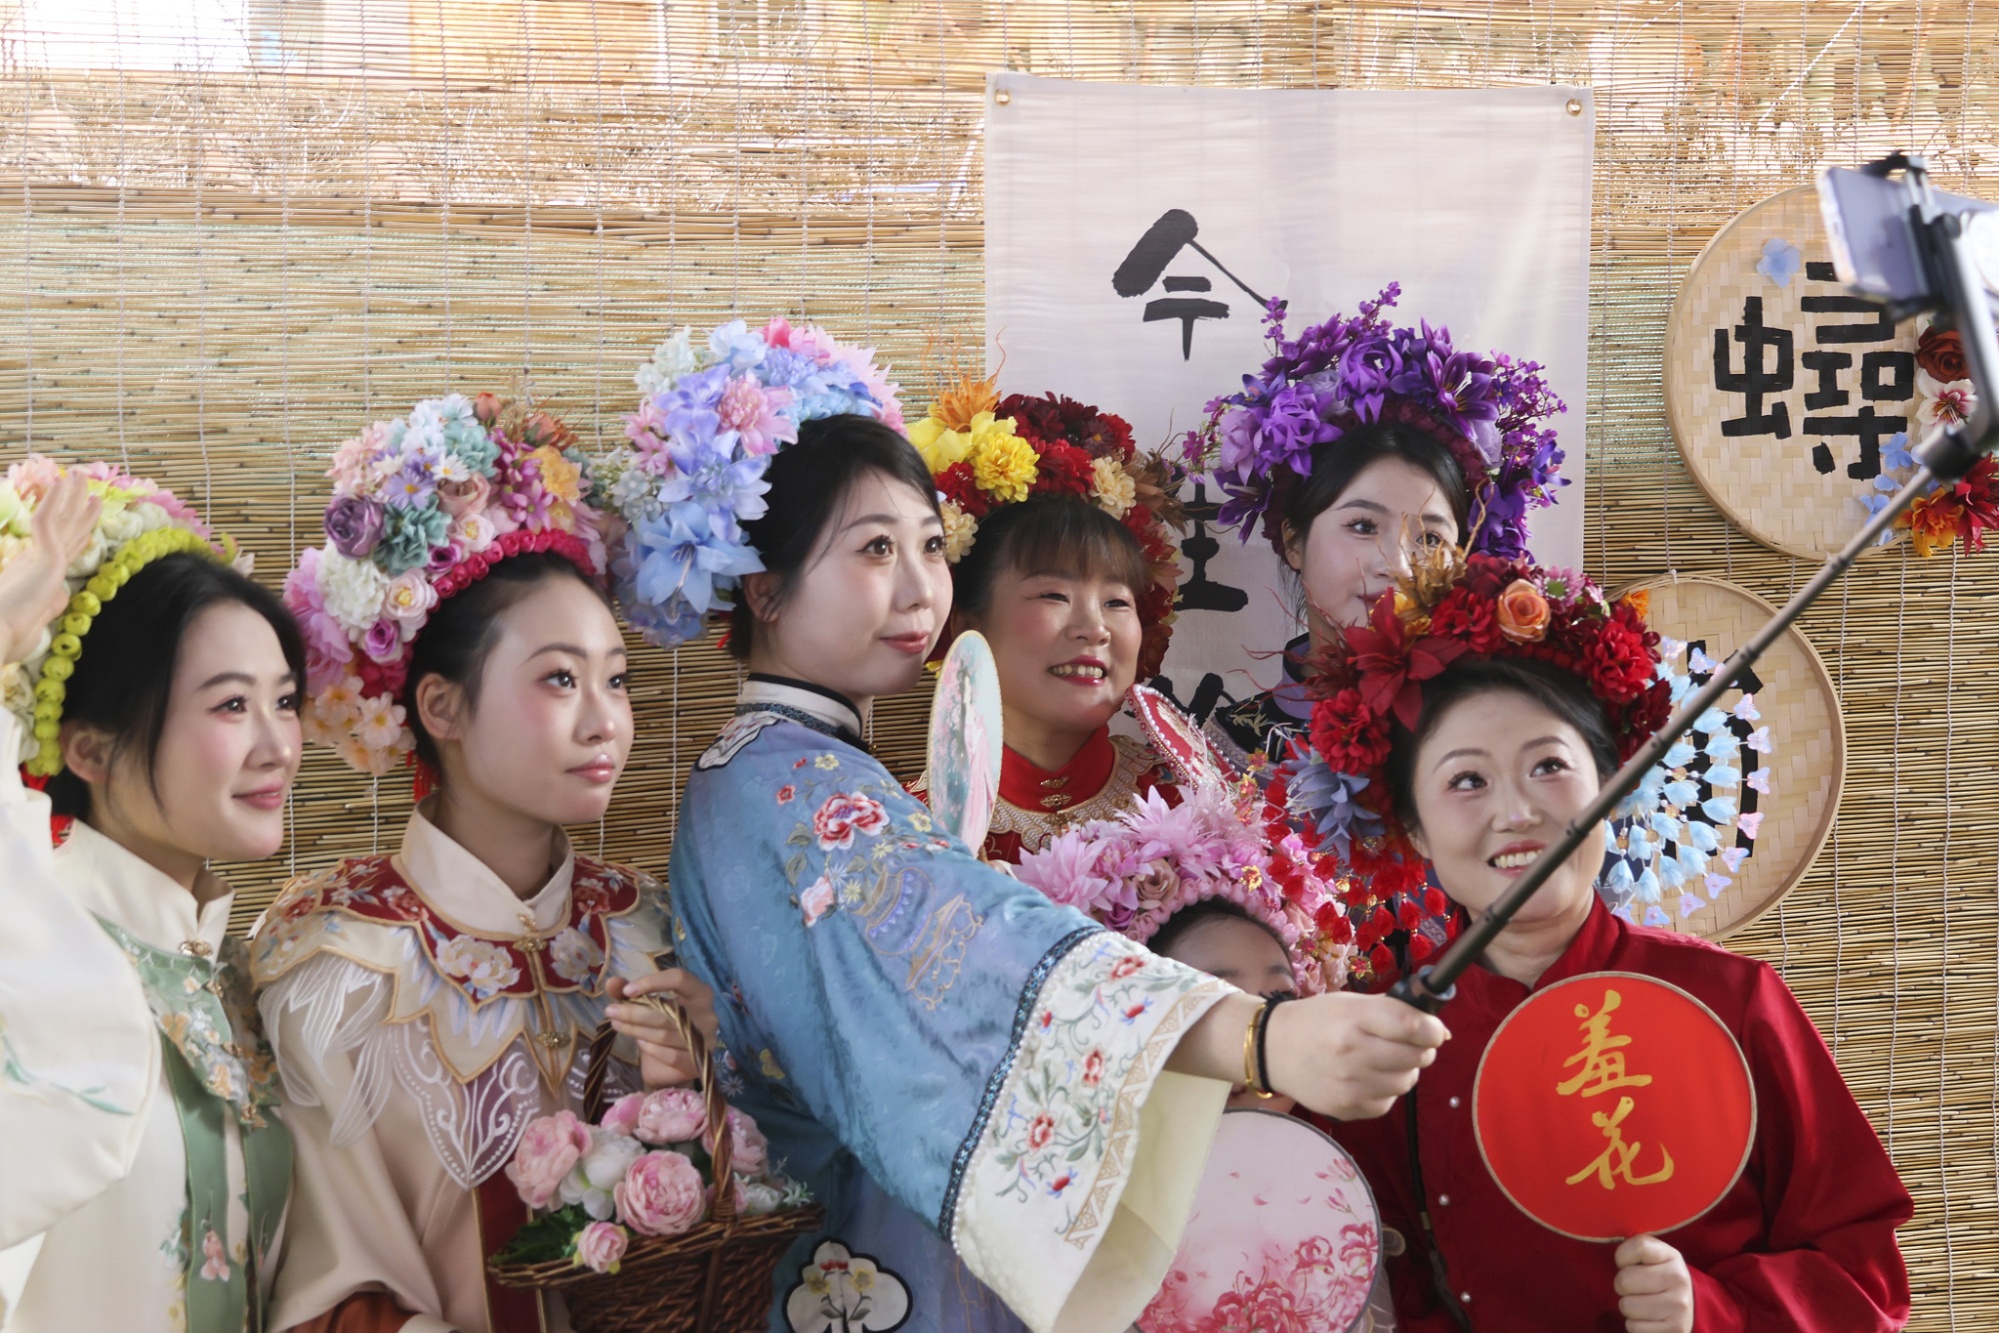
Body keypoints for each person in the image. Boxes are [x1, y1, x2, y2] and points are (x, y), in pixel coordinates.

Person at [616, 310, 1448, 1332]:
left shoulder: (792, 767)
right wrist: (1254, 1036)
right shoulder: (785, 785)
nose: (919, 587)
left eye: (930, 547)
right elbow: (977, 945)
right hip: (873, 1259)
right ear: (766, 588)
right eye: (874, 549)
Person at [1290, 549, 1912, 1332]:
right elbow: (1362, 1285)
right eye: (1466, 780)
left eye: (1548, 765)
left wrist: (1712, 1311)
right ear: (1413, 827)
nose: (1516, 813)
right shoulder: (1384, 1041)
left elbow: (1863, 1278)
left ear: (1612, 787)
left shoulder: (1733, 1001)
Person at [253, 395, 704, 1333]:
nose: (605, 721)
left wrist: (697, 1088)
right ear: (441, 707)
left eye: (615, 679)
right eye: (559, 678)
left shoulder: (650, 931)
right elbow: (331, 1292)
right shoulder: (332, 967)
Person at [1184, 283, 1567, 992]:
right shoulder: (1225, 748)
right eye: (1362, 526)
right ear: (1292, 540)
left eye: (1430, 537)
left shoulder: (1493, 726)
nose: (1396, 564)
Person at [0, 461, 301, 1333]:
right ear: (89, 750)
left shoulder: (241, 974)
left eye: (284, 700)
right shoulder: (32, 953)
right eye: (231, 704)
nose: (278, 744)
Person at [902, 378, 1184, 862]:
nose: (1094, 628)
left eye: (1117, 602)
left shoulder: (1190, 804)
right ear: (965, 625)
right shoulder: (910, 835)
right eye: (1055, 595)